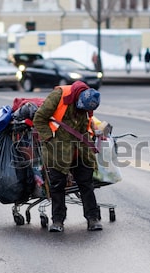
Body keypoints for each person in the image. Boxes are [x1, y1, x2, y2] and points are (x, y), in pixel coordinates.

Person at [33, 81, 102, 232]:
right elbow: (39, 118)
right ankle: (58, 221)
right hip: (57, 149)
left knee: (86, 183)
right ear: (78, 98)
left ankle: (92, 218)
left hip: (80, 148)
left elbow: (87, 124)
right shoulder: (59, 95)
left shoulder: (87, 103)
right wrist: (49, 139)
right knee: (58, 185)